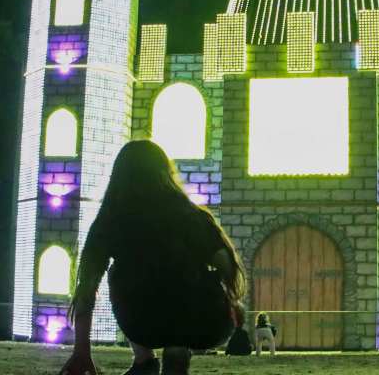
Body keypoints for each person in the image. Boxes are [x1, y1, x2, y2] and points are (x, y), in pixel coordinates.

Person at [58, 141, 245, 375]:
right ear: (165, 171)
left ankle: (144, 359)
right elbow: (225, 263)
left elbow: (87, 286)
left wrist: (81, 352)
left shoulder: (112, 219)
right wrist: (232, 300)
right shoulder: (191, 215)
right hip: (205, 322)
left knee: (120, 271)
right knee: (183, 273)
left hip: (143, 322)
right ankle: (178, 348)